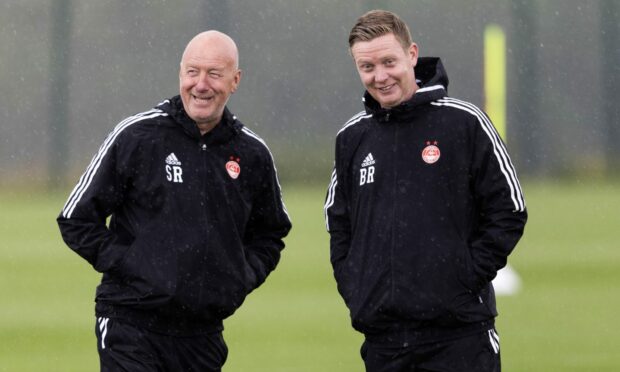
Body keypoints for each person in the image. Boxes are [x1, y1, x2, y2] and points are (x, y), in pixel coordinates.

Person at [57, 30, 291, 371]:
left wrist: (238, 277)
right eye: (192, 72)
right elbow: (75, 218)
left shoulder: (251, 153)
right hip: (130, 323)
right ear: (180, 74)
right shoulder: (137, 136)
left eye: (214, 73)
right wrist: (132, 263)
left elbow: (270, 233)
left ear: (235, 80)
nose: (201, 84)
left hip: (202, 335)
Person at [324, 10, 527, 372]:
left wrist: (461, 277)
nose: (380, 76)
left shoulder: (464, 122)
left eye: (389, 62)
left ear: (412, 55)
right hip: (384, 343)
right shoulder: (352, 137)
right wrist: (357, 289)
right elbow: (339, 223)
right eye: (367, 66)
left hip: (459, 338)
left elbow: (508, 209)